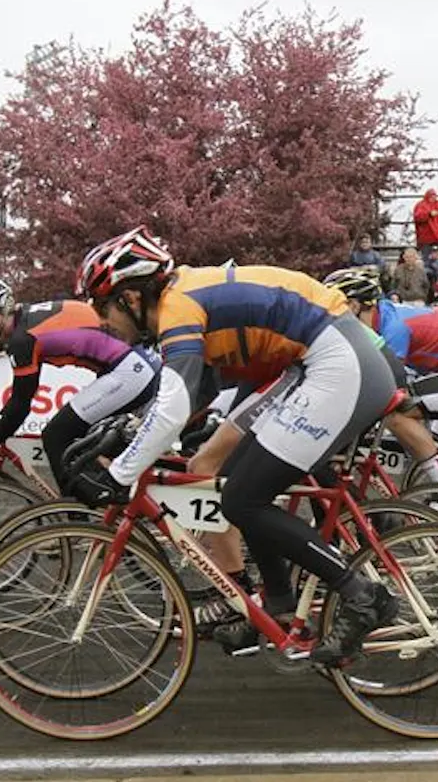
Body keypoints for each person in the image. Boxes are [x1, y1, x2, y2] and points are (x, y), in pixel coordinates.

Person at [69, 228, 400, 665]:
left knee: (245, 499)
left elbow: (173, 408)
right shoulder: (181, 302)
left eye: (102, 306)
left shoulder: (178, 306)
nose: (100, 321)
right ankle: (278, 600)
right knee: (232, 489)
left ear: (130, 298)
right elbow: (190, 394)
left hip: (337, 365)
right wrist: (128, 430)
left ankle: (362, 596)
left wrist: (119, 474)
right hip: (315, 364)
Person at [0, 276, 161, 492]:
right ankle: (114, 505)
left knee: (56, 435)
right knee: (85, 443)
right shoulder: (27, 322)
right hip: (137, 364)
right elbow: (19, 402)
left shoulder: (22, 339)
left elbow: (20, 406)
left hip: (130, 370)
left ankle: (76, 519)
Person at [324, 267, 438, 452]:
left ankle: (435, 475)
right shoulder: (383, 318)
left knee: (396, 410)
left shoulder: (393, 328)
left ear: (354, 306)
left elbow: (385, 386)